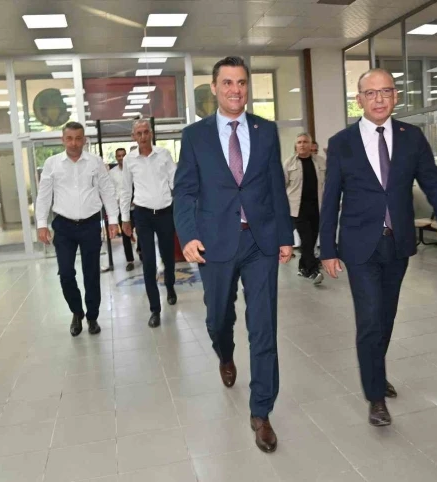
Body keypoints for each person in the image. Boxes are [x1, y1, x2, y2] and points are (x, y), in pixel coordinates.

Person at [320, 68, 437, 427]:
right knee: (369, 319)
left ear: (396, 96)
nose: (379, 99)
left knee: (386, 317)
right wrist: (327, 249)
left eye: (386, 92)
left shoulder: (412, 137)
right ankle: (375, 396)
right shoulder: (341, 142)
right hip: (358, 245)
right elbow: (330, 199)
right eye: (371, 93)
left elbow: (433, 181)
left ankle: (375, 372)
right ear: (359, 100)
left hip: (397, 243)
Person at [173, 56, 293, 453]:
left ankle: (262, 411)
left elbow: (275, 186)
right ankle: (225, 353)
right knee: (217, 318)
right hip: (215, 244)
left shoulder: (266, 130)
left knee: (264, 327)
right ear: (214, 88)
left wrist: (285, 235)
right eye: (227, 83)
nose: (235, 90)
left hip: (259, 241)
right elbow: (185, 191)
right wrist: (188, 235)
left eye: (241, 82)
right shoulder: (195, 136)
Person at [35, 122, 119, 337]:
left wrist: (113, 220)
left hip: (90, 224)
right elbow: (44, 195)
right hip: (63, 226)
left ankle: (92, 317)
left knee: (91, 273)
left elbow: (107, 191)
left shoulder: (95, 162)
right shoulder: (52, 164)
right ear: (63, 140)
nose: (74, 143)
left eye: (78, 138)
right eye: (69, 138)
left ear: (84, 140)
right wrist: (41, 224)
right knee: (65, 273)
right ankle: (76, 312)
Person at [120, 120, 177, 328]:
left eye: (146, 132)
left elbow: (175, 181)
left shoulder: (164, 155)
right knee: (149, 261)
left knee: (168, 256)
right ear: (133, 136)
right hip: (142, 214)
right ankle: (155, 309)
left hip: (165, 212)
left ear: (151, 134)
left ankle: (170, 285)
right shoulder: (129, 160)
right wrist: (125, 219)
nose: (143, 136)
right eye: (139, 133)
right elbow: (125, 190)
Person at [283, 132, 326, 284]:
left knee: (311, 240)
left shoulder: (320, 162)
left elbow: (328, 182)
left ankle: (302, 267)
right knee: (307, 239)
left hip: (316, 208)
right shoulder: (289, 163)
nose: (302, 144)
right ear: (295, 145)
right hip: (297, 209)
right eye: (299, 142)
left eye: (305, 142)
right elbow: (282, 186)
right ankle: (313, 271)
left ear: (311, 145)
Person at [109, 147, 137, 271]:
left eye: (123, 155)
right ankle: (130, 260)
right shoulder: (112, 173)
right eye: (119, 156)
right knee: (126, 235)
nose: (121, 158)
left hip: (136, 206)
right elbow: (111, 190)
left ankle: (141, 251)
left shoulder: (133, 169)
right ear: (116, 158)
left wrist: (135, 199)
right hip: (121, 208)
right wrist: (117, 201)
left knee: (141, 231)